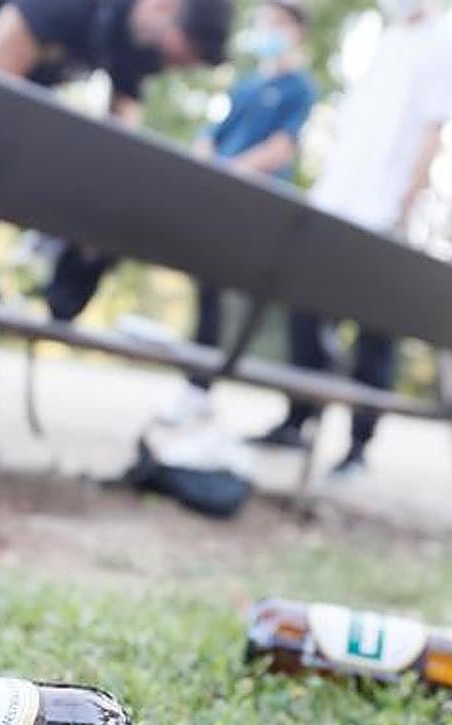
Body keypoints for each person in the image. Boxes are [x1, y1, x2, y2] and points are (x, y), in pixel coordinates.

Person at [0, 0, 235, 457]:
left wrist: (88, 229)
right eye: (185, 50)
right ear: (165, 6)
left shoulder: (135, 45)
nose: (180, 64)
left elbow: (120, 154)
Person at [250, 0, 452, 476]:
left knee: (375, 332)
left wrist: (403, 207)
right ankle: (298, 417)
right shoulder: (386, 39)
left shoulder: (446, 45)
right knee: (303, 311)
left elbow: (432, 133)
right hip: (337, 201)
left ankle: (358, 446)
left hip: (383, 210)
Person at [156, 0, 316, 427]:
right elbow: (213, 132)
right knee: (206, 291)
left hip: (257, 204)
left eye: (278, 23)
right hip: (217, 199)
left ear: (297, 30)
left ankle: (291, 409)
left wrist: (234, 169)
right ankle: (198, 386)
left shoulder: (299, 87)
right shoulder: (245, 84)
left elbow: (282, 147)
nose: (269, 29)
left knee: (248, 298)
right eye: (265, 21)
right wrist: (207, 157)